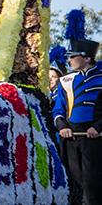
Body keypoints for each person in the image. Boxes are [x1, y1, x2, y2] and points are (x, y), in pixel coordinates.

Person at [53, 38, 102, 205]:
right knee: (74, 183)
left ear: (87, 58)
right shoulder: (66, 81)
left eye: (73, 56)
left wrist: (97, 127)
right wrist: (62, 126)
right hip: (70, 138)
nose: (70, 60)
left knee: (92, 185)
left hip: (95, 139)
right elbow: (58, 109)